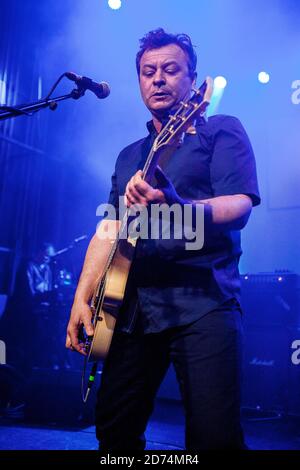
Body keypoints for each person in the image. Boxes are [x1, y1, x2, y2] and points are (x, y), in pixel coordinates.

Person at [66, 28, 260, 451]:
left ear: (192, 80)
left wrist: (177, 205)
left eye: (171, 70)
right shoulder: (130, 155)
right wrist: (82, 298)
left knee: (214, 439)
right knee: (114, 434)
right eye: (148, 71)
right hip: (132, 309)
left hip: (203, 302)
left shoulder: (219, 131)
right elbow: (109, 228)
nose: (158, 79)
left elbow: (241, 206)